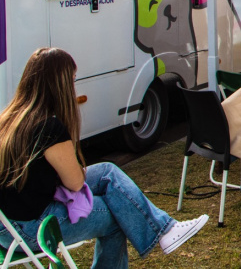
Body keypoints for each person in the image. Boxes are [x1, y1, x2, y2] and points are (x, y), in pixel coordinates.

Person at [0, 48, 208, 266]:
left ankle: (165, 229)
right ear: (58, 86)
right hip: (29, 227)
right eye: (71, 81)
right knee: (116, 216)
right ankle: (163, 231)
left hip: (8, 222)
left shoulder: (12, 118)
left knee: (107, 171)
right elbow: (74, 183)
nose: (74, 88)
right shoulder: (47, 127)